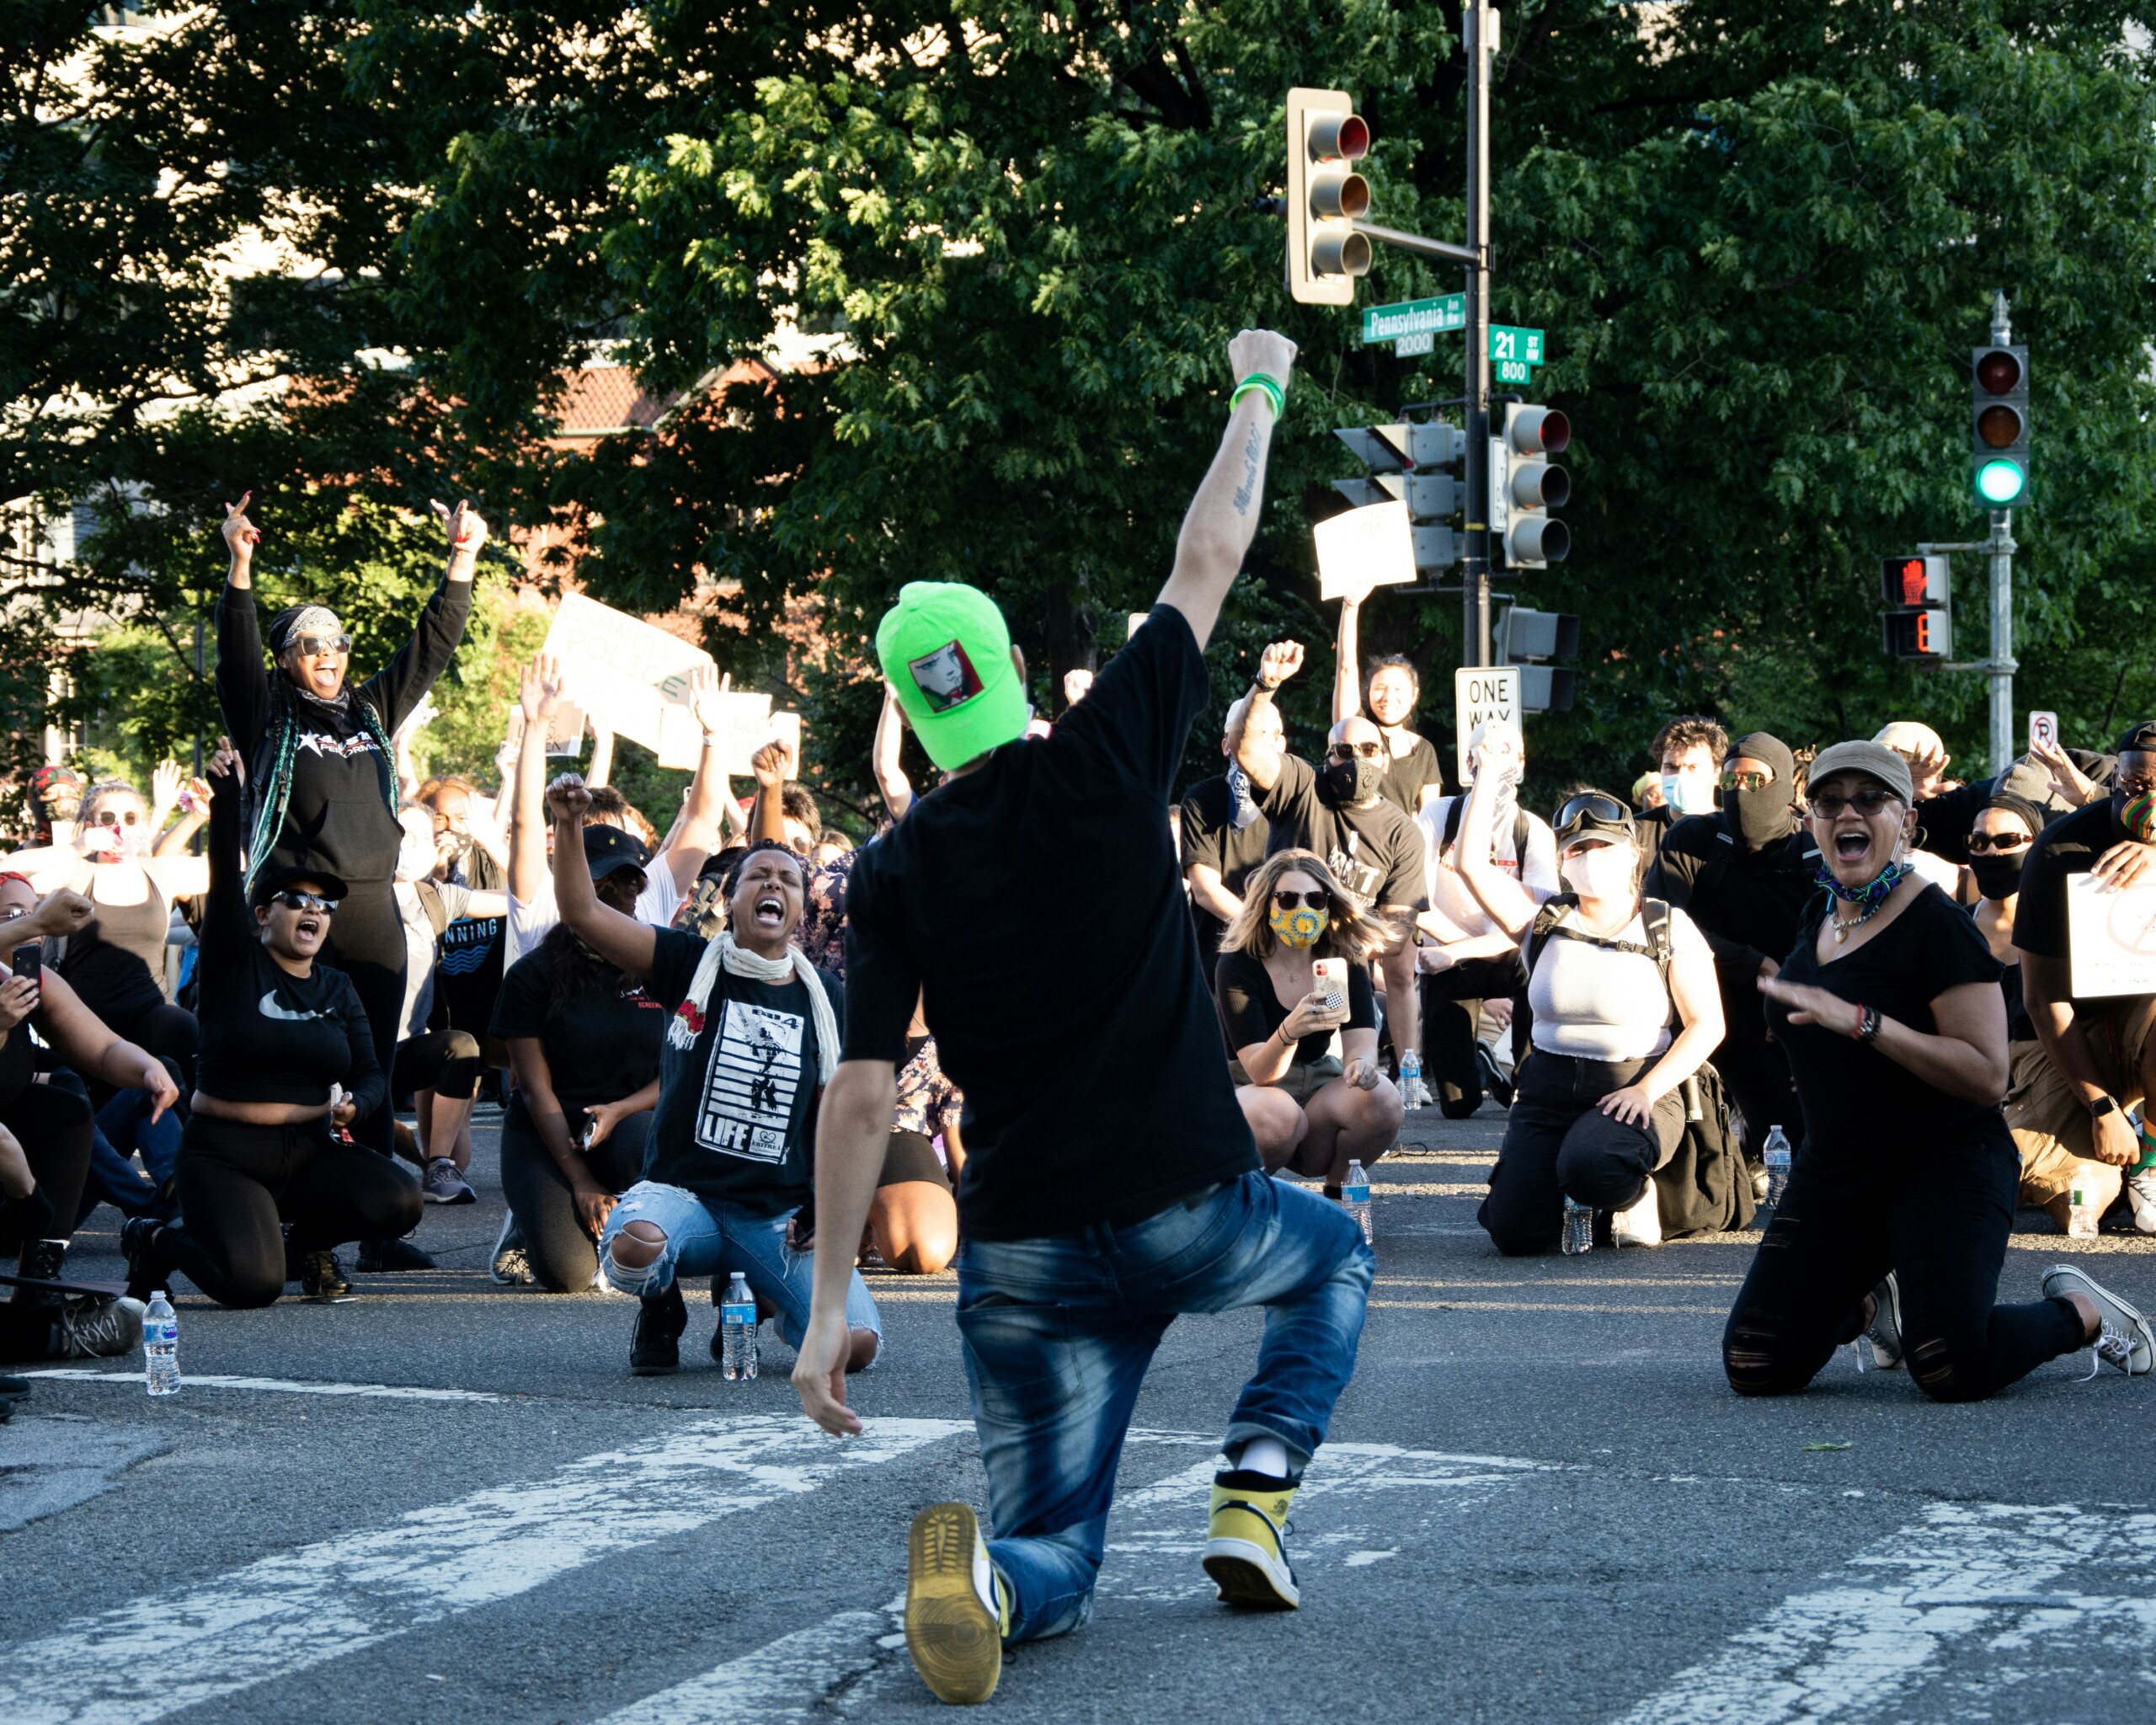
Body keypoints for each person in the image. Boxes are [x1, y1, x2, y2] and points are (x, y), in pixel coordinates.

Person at [794, 329, 1373, 1708]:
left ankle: (997, 1584)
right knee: (1334, 1255)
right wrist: (1257, 388)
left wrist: (825, 1308)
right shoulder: (1108, 752)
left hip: (1022, 1247)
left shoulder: (894, 868)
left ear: (908, 709)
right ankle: (1254, 1494)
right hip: (1184, 1201)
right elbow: (1207, 556)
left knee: (1057, 1540)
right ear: (1007, 665)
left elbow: (863, 1092)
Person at [1722, 741, 2151, 1397]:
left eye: (1871, 799)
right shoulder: (1820, 912)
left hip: (1944, 1166)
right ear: (1810, 821)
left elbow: (1985, 1075)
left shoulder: (1939, 924)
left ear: (1908, 823)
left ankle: (2082, 1314)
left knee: (1952, 1367)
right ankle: (1872, 1303)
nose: (1848, 813)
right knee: (1756, 1363)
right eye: (1830, 802)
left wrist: (1866, 1023)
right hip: (1835, 1172)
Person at [213, 490, 483, 1276]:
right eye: (309, 644)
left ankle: (373, 1225)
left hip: (370, 906)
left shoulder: (369, 712)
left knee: (370, 1070)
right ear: (286, 658)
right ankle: (290, 1220)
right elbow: (236, 661)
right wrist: (240, 567)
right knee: (299, 1058)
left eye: (336, 642)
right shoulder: (270, 715)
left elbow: (430, 648)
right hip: (298, 905)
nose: (327, 654)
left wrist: (462, 559)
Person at [544, 796, 883, 1376]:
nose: (773, 884)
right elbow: (581, 912)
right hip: (685, 1199)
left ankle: (755, 1302)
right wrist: (570, 823)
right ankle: (661, 1306)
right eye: (758, 876)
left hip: (774, 1217)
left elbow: (851, 1117)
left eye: (788, 880)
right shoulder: (688, 962)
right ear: (729, 899)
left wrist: (828, 1206)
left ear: (800, 911)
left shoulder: (828, 998)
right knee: (635, 1247)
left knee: (855, 1348)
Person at [118, 740, 419, 1307]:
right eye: (297, 900)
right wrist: (226, 800)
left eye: (324, 905)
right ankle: (155, 1239)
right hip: (224, 1155)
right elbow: (223, 882)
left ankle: (308, 1245)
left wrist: (357, 1105)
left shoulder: (337, 987)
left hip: (309, 1152)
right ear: (262, 915)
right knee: (253, 1286)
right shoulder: (233, 966)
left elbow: (372, 1073)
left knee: (399, 1201)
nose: (314, 911)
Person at [1450, 761, 1724, 1254]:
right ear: (1562, 861)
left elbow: (1708, 1025)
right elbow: (1470, 865)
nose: (1590, 857)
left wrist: (1646, 1091)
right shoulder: (1543, 918)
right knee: (1515, 1232)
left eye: (1604, 846)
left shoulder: (1666, 925)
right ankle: (1575, 1185)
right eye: (1577, 849)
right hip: (1548, 1089)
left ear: (1632, 853)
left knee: (1592, 1167)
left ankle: (1635, 1191)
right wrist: (1487, 773)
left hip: (1636, 1085)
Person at [1235, 641, 1427, 1101]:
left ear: (1385, 759)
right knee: (1270, 1086)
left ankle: (1406, 1074)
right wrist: (1265, 686)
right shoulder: (1304, 786)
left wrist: (1333, 938)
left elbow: (1396, 932)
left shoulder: (1402, 832)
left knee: (1362, 1088)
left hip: (1343, 957)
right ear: (1327, 757)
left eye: (1368, 748)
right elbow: (1248, 751)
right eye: (1343, 749)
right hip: (1276, 949)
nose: (1355, 758)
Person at [489, 824, 668, 1292]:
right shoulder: (533, 974)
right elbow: (534, 1090)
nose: (622, 892)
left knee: (647, 1136)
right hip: (550, 1134)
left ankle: (628, 1210)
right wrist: (582, 1181)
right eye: (607, 881)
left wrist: (620, 1109)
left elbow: (678, 1071)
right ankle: (530, 1217)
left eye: (630, 880)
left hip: (629, 1125)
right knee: (567, 1276)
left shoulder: (660, 962)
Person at [1644, 731, 1820, 1170]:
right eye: (1730, 781)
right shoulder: (1694, 839)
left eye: (1755, 781)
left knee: (1796, 1141)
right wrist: (1753, 963)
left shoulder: (1811, 854)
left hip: (1785, 1008)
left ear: (1783, 784)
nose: (1741, 791)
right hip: (1702, 999)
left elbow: (1830, 935)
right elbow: (1659, 922)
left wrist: (1786, 993)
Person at [2009, 721, 2156, 1236]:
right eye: (2136, 785)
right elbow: (2043, 998)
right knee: (2082, 1201)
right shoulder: (2061, 850)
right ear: (2115, 781)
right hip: (2072, 1034)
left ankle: (2150, 1158)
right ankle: (2122, 1133)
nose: (2148, 803)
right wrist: (2102, 1107)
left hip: (2147, 1023)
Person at [501, 654, 736, 965]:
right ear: (563, 841)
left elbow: (701, 821)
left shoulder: (648, 895)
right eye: (592, 835)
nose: (609, 842)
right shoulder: (543, 899)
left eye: (616, 833)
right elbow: (525, 821)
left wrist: (714, 736)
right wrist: (536, 725)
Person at [0, 878, 174, 1288]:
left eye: (34, 912)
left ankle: (42, 1274)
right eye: (13, 915)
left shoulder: (35, 981)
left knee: (67, 1107)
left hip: (30, 1203)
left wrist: (147, 1068)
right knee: (60, 1093)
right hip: (14, 1186)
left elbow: (105, 1049)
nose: (32, 923)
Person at [1963, 795, 2116, 1232]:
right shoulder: (1952, 926)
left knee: (2083, 1200)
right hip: (1985, 1089)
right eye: (1979, 842)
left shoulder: (2070, 921)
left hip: (2064, 1075)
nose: (1992, 852)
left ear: (2038, 844)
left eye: (2008, 840)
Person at [1215, 848, 1402, 1186]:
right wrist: (1290, 1031)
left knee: (1383, 1097)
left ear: (1328, 905)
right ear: (1266, 904)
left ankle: (1339, 1195)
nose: (1303, 910)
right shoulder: (1239, 963)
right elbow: (1260, 1072)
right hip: (1254, 1090)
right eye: (1288, 899)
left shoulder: (1343, 957)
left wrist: (1361, 1066)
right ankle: (1245, 1199)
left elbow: (1360, 1041)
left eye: (1315, 899)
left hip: (1318, 1082)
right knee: (1278, 1113)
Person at [4, 769, 209, 1067]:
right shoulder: (76, 871)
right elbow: (7, 870)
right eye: (109, 818)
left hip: (151, 1014)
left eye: (130, 818)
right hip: (84, 1022)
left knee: (184, 1028)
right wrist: (77, 847)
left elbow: (236, 869)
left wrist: (204, 813)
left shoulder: (160, 871)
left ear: (143, 826)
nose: (120, 827)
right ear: (91, 826)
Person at [1415, 720, 1561, 1117]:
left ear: (1521, 763)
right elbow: (1417, 903)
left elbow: (1538, 922)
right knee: (1458, 1105)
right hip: (1448, 954)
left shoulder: (1532, 831)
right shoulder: (1439, 816)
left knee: (1541, 963)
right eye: (1485, 752)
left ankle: (1526, 1079)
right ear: (1469, 763)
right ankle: (1480, 1065)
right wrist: (1457, 951)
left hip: (1507, 951)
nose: (1495, 761)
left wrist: (1462, 950)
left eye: (1505, 752)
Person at [388, 805, 505, 1204]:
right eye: (403, 836)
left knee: (460, 1046)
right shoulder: (355, 896)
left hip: (404, 1049)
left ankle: (439, 1165)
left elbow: (530, 898)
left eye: (423, 838)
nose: (412, 847)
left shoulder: (438, 897)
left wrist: (492, 841)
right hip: (353, 1053)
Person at [1181, 694, 1277, 985]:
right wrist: (1267, 935)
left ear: (1280, 744)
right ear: (1226, 745)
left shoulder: (1299, 797)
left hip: (1289, 964)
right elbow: (1205, 890)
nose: (1251, 744)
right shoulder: (1201, 798)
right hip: (1219, 963)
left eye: (1263, 734)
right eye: (1242, 735)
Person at [1331, 592, 1444, 815]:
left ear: (1414, 695)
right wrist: (1350, 606)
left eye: (1398, 689)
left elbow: (1430, 820)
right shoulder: (1353, 729)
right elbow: (1345, 667)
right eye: (1380, 688)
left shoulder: (1425, 752)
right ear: (1368, 692)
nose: (1388, 697)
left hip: (1399, 838)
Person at [873, 1006, 963, 1275]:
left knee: (924, 1253)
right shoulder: (835, 995)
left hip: (899, 1136)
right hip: (818, 1136)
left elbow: (956, 1130)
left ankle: (867, 1226)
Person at [1637, 716, 1726, 869]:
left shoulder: (1733, 833)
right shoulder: (1635, 833)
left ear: (1718, 774)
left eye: (1693, 767)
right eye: (1671, 767)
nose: (1681, 776)